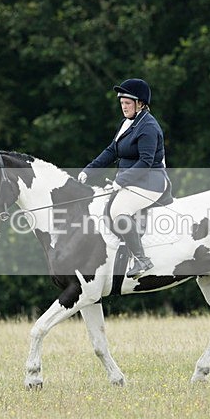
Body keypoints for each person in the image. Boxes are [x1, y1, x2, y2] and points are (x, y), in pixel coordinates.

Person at [79, 78, 169, 278]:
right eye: (122, 103)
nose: (124, 107)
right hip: (134, 180)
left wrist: (121, 180)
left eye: (127, 103)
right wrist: (89, 170)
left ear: (140, 104)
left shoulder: (148, 127)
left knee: (118, 210)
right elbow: (112, 150)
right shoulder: (127, 124)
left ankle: (141, 260)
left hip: (151, 182)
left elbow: (146, 162)